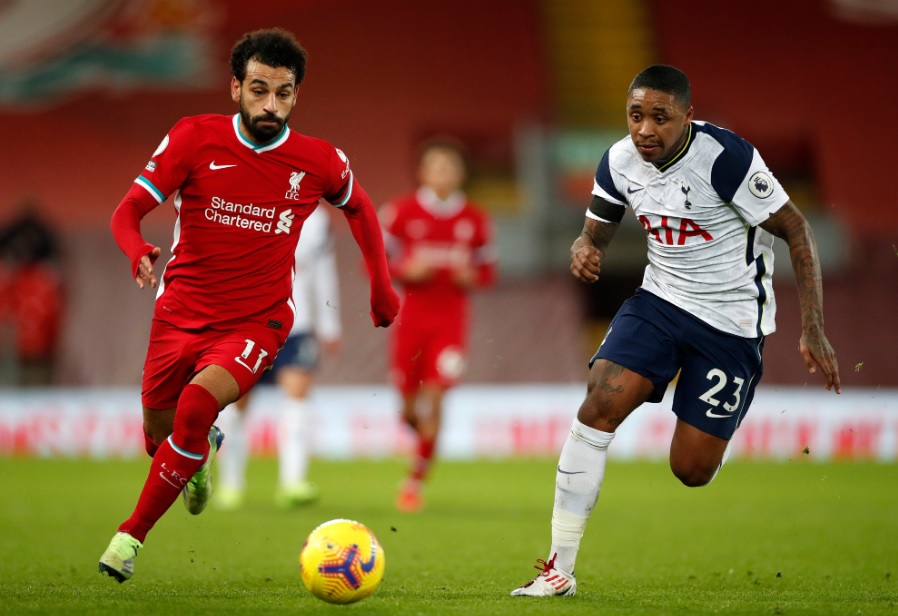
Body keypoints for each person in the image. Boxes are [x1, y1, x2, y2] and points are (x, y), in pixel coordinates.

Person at [511, 64, 840, 597]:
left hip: (731, 322)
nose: (645, 129)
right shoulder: (619, 160)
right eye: (636, 115)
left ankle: (715, 427)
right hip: (661, 301)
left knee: (691, 470)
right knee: (598, 402)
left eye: (659, 117)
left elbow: (797, 228)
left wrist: (814, 328)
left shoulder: (727, 159)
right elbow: (598, 224)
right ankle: (559, 569)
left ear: (688, 115)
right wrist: (585, 246)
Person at [99, 27, 399, 583]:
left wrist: (380, 286)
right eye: (259, 90)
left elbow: (360, 209)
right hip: (179, 313)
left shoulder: (317, 160)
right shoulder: (193, 138)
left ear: (296, 96)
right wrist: (135, 245)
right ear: (235, 86)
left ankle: (128, 538)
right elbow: (127, 209)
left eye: (283, 93)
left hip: (257, 320)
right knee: (158, 438)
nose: (270, 104)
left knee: (194, 407)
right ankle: (198, 454)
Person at [379, 137, 497, 512]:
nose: (444, 174)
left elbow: (488, 271)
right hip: (410, 323)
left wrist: (472, 277)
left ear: (461, 173)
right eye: (436, 167)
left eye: (451, 167)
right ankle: (423, 439)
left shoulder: (475, 219)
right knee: (409, 408)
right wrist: (404, 270)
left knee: (436, 399)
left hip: (450, 325)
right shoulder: (400, 212)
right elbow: (378, 262)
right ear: (423, 172)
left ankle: (414, 481)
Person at [215, 205, 342, 510]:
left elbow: (323, 271)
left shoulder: (316, 218)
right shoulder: (245, 204)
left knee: (298, 396)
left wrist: (329, 323)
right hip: (248, 322)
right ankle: (230, 485)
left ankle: (292, 483)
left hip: (297, 324)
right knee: (237, 402)